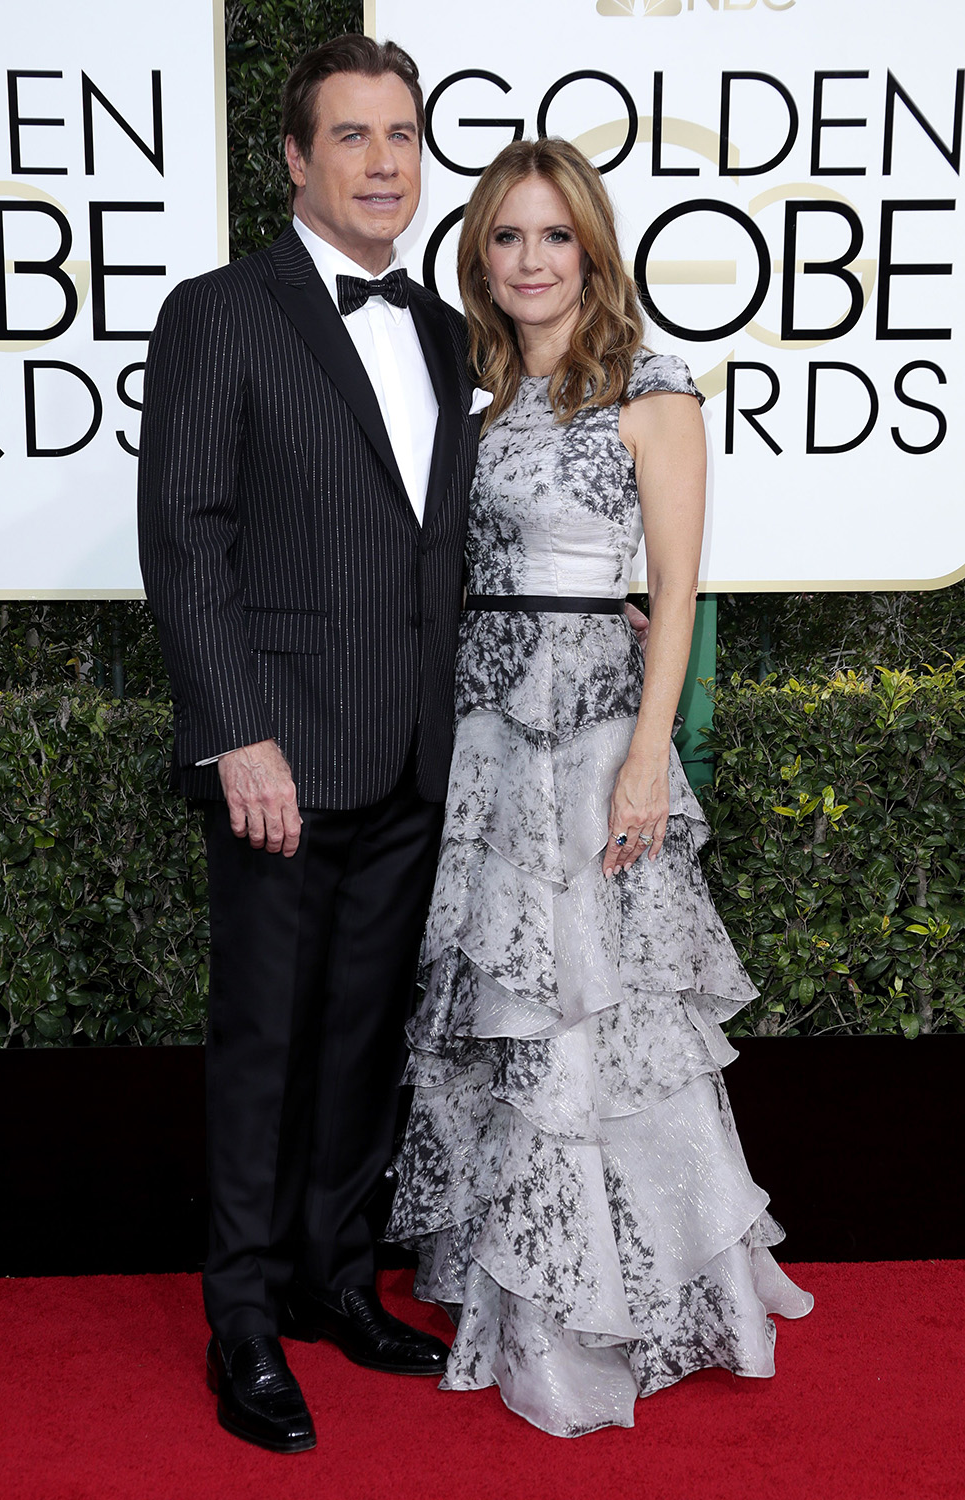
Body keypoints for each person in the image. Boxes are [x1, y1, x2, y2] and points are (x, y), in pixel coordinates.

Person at [387, 137, 814, 1438]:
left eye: (552, 236)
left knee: (593, 1015)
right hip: (480, 730)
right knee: (510, 1010)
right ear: (482, 255)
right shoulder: (470, 390)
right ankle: (519, 1274)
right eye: (506, 238)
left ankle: (591, 1323)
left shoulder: (650, 383)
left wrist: (644, 757)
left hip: (586, 736)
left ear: (591, 245)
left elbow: (676, 587)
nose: (529, 260)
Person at [137, 35, 483, 1454]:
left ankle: (340, 1279)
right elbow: (187, 534)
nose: (385, 162)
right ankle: (241, 1324)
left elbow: (441, 540)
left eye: (403, 135)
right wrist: (237, 735)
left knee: (360, 1043)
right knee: (265, 1044)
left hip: (411, 753)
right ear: (294, 159)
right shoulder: (221, 311)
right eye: (353, 137)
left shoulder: (447, 329)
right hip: (280, 756)